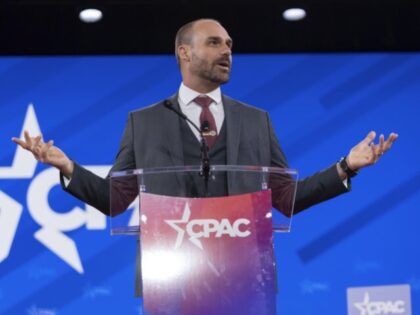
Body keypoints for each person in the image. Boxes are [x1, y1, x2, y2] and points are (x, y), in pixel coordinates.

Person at [12, 18, 397, 294]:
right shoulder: (143, 122)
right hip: (171, 281)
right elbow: (115, 200)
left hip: (245, 280)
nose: (227, 51)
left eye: (230, 44)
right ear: (184, 52)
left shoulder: (256, 120)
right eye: (215, 42)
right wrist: (67, 167)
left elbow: (286, 198)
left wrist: (346, 167)